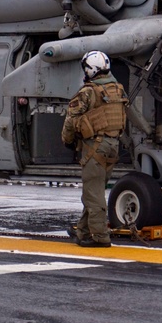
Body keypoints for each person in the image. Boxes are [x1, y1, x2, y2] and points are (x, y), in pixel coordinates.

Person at [62, 51, 129, 248]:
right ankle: (83, 231)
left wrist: (67, 141)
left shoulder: (88, 92)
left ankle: (99, 236)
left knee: (93, 193)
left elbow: (70, 121)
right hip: (112, 146)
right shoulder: (117, 89)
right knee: (95, 190)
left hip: (95, 148)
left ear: (91, 69)